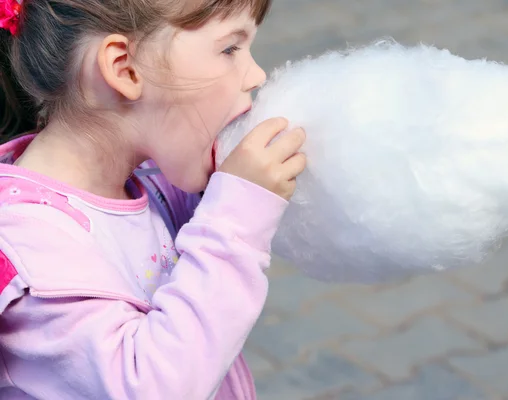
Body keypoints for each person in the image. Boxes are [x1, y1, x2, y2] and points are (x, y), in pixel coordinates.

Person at [0, 0, 307, 398]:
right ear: (125, 69)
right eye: (230, 48)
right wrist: (236, 218)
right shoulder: (29, 247)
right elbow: (152, 385)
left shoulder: (152, 183)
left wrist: (225, 188)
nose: (256, 74)